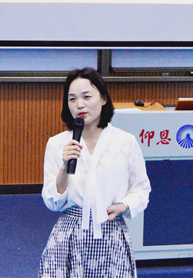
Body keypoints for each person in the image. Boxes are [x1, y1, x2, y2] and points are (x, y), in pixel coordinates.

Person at [38, 68, 151, 278]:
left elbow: (141, 189)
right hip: (70, 234)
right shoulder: (57, 144)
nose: (79, 105)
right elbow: (52, 201)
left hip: (111, 231)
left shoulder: (125, 142)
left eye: (86, 97)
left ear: (103, 99)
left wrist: (123, 206)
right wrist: (64, 167)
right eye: (72, 99)